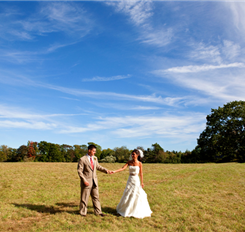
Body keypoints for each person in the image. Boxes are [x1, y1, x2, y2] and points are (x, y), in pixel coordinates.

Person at [111, 149, 152, 219]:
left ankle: (135, 210)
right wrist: (114, 171)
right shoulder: (129, 162)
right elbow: (122, 168)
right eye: (132, 154)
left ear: (137, 155)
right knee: (128, 193)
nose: (132, 155)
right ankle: (126, 209)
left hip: (136, 180)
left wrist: (142, 182)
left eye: (133, 154)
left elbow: (141, 173)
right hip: (130, 179)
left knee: (136, 193)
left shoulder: (139, 163)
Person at [77, 144, 112, 217]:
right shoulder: (82, 159)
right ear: (89, 150)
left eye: (95, 151)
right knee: (84, 198)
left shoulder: (95, 158)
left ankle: (98, 212)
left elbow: (98, 167)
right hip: (86, 182)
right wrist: (84, 180)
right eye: (93, 151)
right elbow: (79, 171)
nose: (95, 152)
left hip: (94, 182)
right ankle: (83, 213)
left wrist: (106, 171)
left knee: (96, 197)